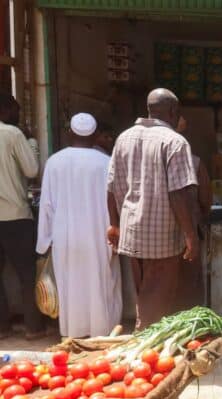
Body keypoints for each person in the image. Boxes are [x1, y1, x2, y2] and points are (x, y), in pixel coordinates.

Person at [107, 88, 199, 329]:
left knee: (145, 294)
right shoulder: (175, 142)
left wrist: (115, 225)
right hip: (162, 237)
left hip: (132, 232)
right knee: (156, 299)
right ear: (172, 111)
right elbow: (178, 192)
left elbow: (111, 187)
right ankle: (144, 345)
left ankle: (145, 339)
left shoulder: (124, 138)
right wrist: (190, 235)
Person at [36, 113, 122, 337]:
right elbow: (117, 200)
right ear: (94, 135)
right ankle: (102, 333)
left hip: (65, 235)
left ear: (69, 133)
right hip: (99, 234)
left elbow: (46, 204)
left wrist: (44, 242)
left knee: (70, 285)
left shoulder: (55, 161)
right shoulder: (105, 162)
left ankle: (72, 333)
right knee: (102, 283)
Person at [0, 94, 44, 340]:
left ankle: (3, 327)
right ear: (5, 110)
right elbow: (32, 170)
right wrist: (32, 143)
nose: (19, 116)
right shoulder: (12, 134)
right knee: (27, 273)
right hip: (15, 216)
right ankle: (33, 328)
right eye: (16, 111)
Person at [176, 115, 212, 308]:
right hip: (189, 233)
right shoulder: (195, 162)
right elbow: (205, 200)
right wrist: (202, 218)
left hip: (155, 236)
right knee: (190, 283)